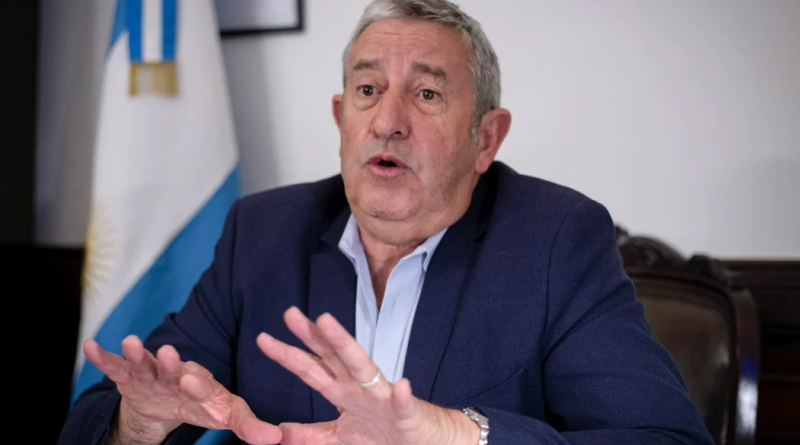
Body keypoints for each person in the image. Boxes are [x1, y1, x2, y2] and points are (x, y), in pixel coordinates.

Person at [59, 1, 713, 444]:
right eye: (368, 91)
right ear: (341, 118)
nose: (388, 121)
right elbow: (96, 420)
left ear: (486, 138)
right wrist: (139, 422)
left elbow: (664, 437)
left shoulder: (554, 240)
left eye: (426, 94)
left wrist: (453, 432)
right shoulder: (262, 233)